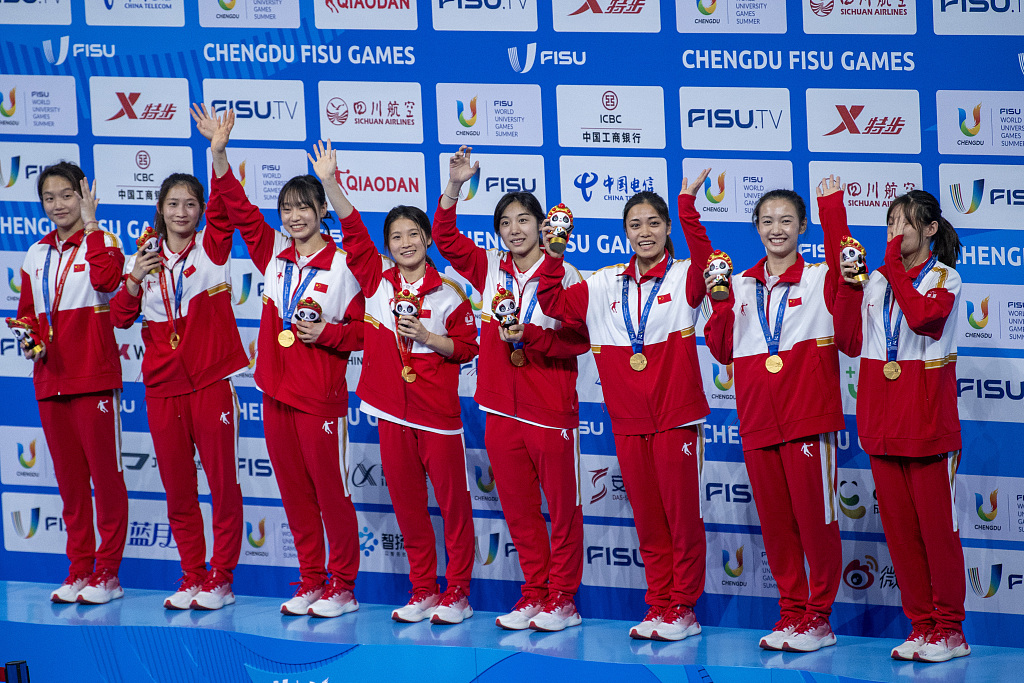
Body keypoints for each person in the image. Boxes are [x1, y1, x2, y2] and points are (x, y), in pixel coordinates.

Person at [201, 106, 365, 618]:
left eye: (304, 208)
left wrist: (330, 333)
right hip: (274, 394)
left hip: (320, 399)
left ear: (321, 212)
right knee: (295, 495)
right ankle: (312, 580)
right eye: (287, 208)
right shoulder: (273, 253)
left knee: (332, 496)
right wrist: (219, 153)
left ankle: (343, 585)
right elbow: (238, 206)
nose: (294, 217)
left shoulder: (344, 266)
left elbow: (365, 333)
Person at [536, 171, 713, 641]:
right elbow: (551, 300)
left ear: (668, 228)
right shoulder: (602, 283)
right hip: (629, 422)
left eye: (655, 222)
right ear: (625, 233)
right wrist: (553, 255)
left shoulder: (685, 276)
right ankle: (658, 604)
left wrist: (688, 205)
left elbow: (708, 260)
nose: (645, 232)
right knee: (650, 522)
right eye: (635, 225)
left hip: (676, 417)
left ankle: (684, 609)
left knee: (682, 520)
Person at [309, 140, 479, 626]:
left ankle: (458, 593)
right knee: (407, 507)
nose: (405, 243)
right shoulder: (377, 279)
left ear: (427, 240)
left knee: (453, 507)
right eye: (396, 237)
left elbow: (469, 348)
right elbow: (353, 231)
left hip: (438, 418)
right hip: (390, 413)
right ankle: (424, 588)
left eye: (413, 235)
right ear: (388, 247)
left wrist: (429, 336)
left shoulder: (449, 294)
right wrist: (329, 184)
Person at [431, 146, 588, 632]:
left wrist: (534, 337)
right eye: (506, 222)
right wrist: (455, 185)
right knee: (519, 511)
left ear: (543, 228)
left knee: (562, 512)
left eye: (524, 220)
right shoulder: (490, 269)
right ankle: (534, 593)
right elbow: (443, 237)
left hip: (550, 412)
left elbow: (579, 340)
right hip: (500, 411)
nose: (515, 229)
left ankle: (564, 599)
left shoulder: (567, 275)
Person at [702, 179, 850, 652]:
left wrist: (833, 210)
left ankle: (819, 619)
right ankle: (791, 613)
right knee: (777, 525)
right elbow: (723, 350)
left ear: (802, 226)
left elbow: (845, 289)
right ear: (756, 228)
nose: (776, 229)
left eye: (786, 220)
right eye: (767, 221)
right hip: (759, 421)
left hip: (808, 418)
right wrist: (721, 303)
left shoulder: (823, 277)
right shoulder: (739, 283)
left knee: (815, 522)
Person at [826, 184, 969, 663]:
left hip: (928, 426)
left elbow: (925, 319)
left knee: (937, 534)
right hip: (882, 425)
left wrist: (890, 268)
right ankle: (921, 626)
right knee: (902, 536)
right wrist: (848, 285)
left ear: (929, 229)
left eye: (906, 223)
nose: (895, 232)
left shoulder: (945, 278)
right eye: (890, 223)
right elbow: (847, 340)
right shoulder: (875, 283)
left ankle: (950, 630)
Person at [110, 160, 248, 610]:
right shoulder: (143, 258)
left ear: (202, 210)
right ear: (160, 209)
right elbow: (119, 318)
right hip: (162, 388)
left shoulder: (213, 247)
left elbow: (228, 210)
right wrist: (133, 277)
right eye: (173, 204)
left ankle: (221, 580)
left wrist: (219, 153)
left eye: (191, 204)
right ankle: (192, 575)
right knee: (178, 488)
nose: (182, 212)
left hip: (210, 382)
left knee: (223, 484)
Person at [16, 162, 128, 605]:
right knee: (71, 487)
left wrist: (95, 225)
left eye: (68, 195)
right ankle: (79, 569)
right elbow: (28, 310)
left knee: (107, 480)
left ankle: (108, 575)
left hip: (94, 379)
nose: (59, 205)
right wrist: (28, 337)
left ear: (83, 196)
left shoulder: (104, 243)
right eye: (50, 197)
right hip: (50, 380)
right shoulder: (35, 254)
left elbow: (107, 280)